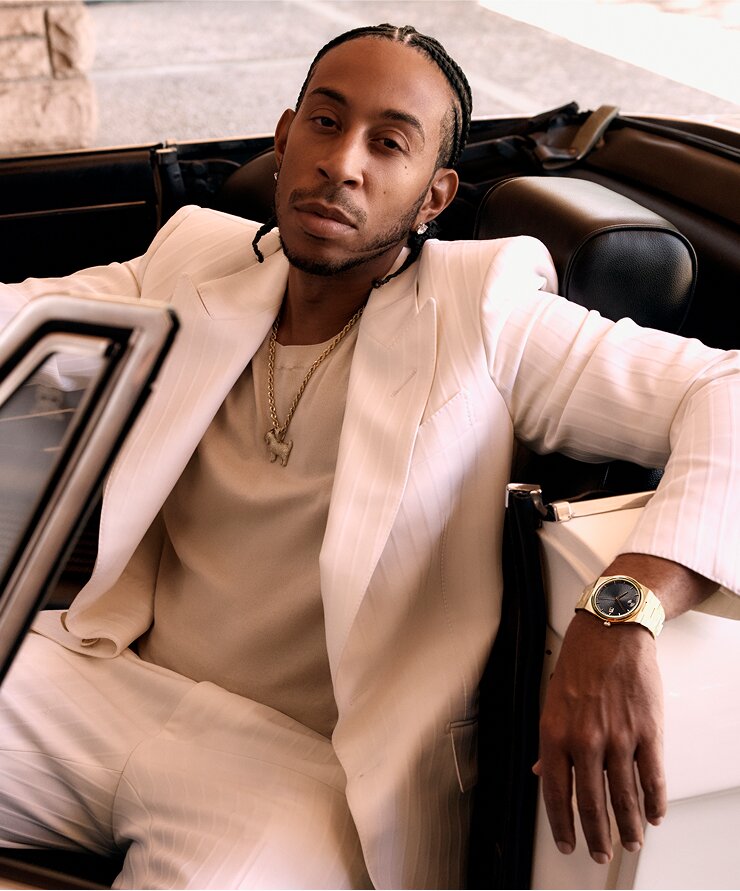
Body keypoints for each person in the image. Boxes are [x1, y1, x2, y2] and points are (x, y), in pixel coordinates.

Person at [0, 22, 738, 890]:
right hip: (103, 683)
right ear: (283, 139)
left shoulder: (486, 314)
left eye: (390, 144)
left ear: (434, 196)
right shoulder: (191, 258)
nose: (342, 163)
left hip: (309, 773)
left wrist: (623, 609)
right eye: (324, 122)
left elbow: (724, 388)